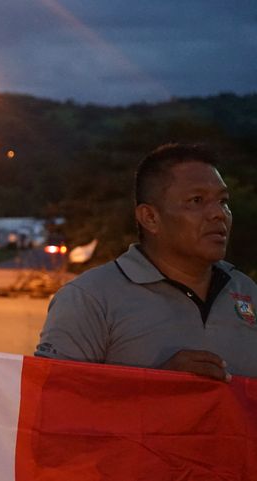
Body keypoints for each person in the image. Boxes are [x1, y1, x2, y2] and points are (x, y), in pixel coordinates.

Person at [36, 143, 257, 380]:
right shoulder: (90, 299)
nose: (219, 214)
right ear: (150, 217)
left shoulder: (247, 292)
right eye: (196, 200)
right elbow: (50, 400)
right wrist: (155, 385)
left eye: (223, 201)